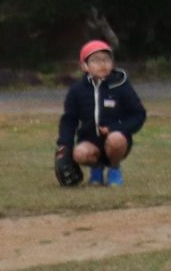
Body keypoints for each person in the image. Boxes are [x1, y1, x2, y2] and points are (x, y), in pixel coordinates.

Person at [57, 40, 146, 188]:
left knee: (116, 139)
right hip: (90, 140)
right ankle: (96, 169)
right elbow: (69, 120)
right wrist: (64, 145)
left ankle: (114, 170)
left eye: (106, 59)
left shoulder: (120, 86)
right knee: (79, 153)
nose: (102, 64)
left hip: (116, 140)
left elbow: (138, 115)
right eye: (96, 60)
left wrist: (115, 128)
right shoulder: (77, 90)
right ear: (84, 66)